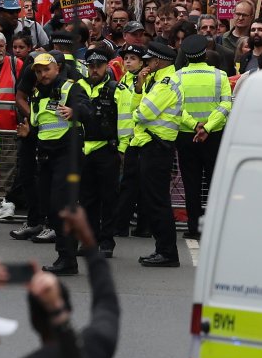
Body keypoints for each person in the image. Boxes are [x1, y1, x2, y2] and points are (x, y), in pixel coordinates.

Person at [7, 208, 120, 358]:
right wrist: (88, 241)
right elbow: (106, 301)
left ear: (34, 322)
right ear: (69, 308)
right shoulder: (96, 346)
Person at [28, 52, 92, 275]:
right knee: (49, 207)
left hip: (67, 155)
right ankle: (66, 257)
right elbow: (39, 124)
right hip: (46, 156)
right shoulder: (37, 93)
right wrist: (28, 132)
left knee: (61, 206)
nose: (43, 74)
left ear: (57, 69)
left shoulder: (70, 88)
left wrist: (75, 111)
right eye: (39, 71)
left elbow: (89, 110)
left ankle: (67, 259)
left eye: (47, 69)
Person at [173, 34, 232, 240]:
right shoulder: (220, 76)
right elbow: (226, 104)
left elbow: (175, 107)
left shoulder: (177, 77)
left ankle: (194, 227)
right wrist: (208, 127)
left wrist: (194, 125)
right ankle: (216, 227)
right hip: (213, 136)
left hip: (186, 135)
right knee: (215, 183)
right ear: (205, 53)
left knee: (192, 184)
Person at [76, 46, 133, 258]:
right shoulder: (77, 87)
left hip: (107, 150)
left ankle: (107, 241)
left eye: (98, 65)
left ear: (106, 67)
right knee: (86, 199)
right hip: (84, 150)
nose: (94, 69)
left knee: (109, 198)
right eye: (91, 65)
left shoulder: (117, 89)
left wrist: (122, 150)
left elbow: (125, 121)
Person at [132, 40, 185, 267]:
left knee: (158, 202)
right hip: (152, 146)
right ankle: (162, 250)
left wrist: (137, 109)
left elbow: (142, 114)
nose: (146, 64)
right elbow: (138, 107)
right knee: (154, 200)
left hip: (157, 147)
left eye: (149, 60)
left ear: (158, 61)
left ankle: (167, 252)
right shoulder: (157, 81)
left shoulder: (165, 83)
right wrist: (140, 87)